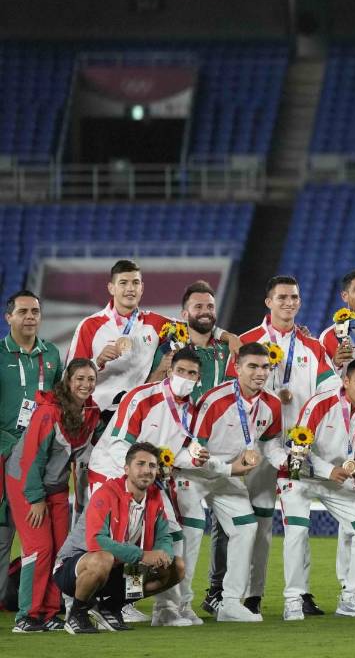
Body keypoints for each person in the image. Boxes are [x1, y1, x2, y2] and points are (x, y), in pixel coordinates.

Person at [227, 275, 339, 616]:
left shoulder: (312, 348)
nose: (289, 303)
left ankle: (300, 594)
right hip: (258, 445)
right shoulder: (247, 342)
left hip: (299, 448)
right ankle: (251, 594)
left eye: (294, 297)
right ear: (268, 301)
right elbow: (233, 392)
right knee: (259, 522)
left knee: (296, 523)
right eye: (282, 297)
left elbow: (330, 391)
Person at [86, 348, 204, 624]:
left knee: (172, 534)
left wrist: (195, 459)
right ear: (169, 370)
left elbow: (175, 454)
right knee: (113, 541)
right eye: (181, 371)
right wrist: (136, 483)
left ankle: (165, 608)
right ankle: (88, 602)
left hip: (148, 480)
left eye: (192, 374)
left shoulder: (190, 408)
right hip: (112, 473)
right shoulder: (141, 397)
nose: (185, 378)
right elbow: (118, 445)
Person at [179, 343, 285, 625]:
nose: (259, 373)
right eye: (252, 366)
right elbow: (194, 450)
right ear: (237, 368)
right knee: (190, 532)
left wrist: (289, 462)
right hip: (196, 473)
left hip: (229, 477)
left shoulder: (272, 403)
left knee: (246, 527)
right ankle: (177, 605)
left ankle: (229, 603)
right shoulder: (215, 400)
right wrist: (228, 468)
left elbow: (270, 444)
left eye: (264, 367)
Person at [278, 358, 355, 620]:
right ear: (346, 381)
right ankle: (293, 599)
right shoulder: (321, 404)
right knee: (297, 532)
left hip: (337, 481)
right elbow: (298, 447)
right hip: (299, 475)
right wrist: (328, 470)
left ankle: (351, 597)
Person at [6, 359, 99, 632]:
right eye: (79, 378)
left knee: (60, 549)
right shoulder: (49, 412)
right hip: (26, 483)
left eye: (90, 379)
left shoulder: (90, 412)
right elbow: (31, 458)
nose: (85, 384)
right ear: (68, 380)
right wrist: (35, 499)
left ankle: (47, 613)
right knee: (39, 548)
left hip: (56, 486)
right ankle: (27, 617)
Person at [54, 442, 185, 634]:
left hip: (118, 567)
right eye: (140, 464)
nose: (146, 470)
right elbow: (96, 541)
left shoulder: (154, 498)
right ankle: (77, 612)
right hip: (74, 568)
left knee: (176, 567)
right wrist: (142, 555)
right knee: (103, 558)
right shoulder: (106, 493)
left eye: (152, 466)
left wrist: (163, 554)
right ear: (126, 468)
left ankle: (111, 608)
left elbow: (164, 535)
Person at [0, 290, 64, 611]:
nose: (30, 317)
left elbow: (60, 405)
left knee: (38, 535)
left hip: (39, 463)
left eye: (35, 312)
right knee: (2, 533)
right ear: (8, 316)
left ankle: (36, 601)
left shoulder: (51, 354)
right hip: (3, 456)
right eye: (23, 311)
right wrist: (14, 447)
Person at [67, 260, 170, 412]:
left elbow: (196, 327)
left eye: (135, 283)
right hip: (97, 413)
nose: (130, 288)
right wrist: (98, 361)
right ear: (111, 288)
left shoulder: (156, 323)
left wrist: (218, 333)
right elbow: (69, 375)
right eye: (123, 283)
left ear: (142, 288)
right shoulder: (90, 325)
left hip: (136, 412)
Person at [146, 281, 242, 403]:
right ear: (185, 315)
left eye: (210, 307)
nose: (206, 311)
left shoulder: (227, 349)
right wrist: (161, 370)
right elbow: (148, 393)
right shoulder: (168, 350)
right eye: (198, 306)